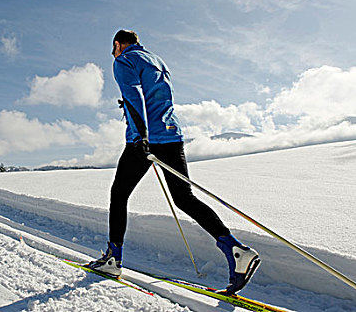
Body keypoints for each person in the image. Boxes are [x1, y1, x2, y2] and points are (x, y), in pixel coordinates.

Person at [86, 29, 260, 295]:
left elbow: (135, 98)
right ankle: (236, 251)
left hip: (146, 138)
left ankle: (112, 260)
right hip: (171, 134)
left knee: (118, 194)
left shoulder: (124, 61)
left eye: (114, 49)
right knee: (184, 197)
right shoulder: (157, 60)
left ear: (118, 44)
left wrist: (141, 138)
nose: (113, 54)